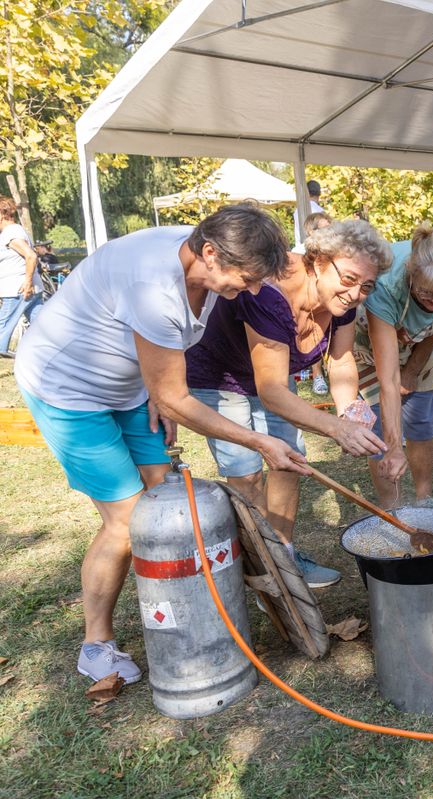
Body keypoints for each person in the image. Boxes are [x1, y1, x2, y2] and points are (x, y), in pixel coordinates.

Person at [14, 205, 303, 683]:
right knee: (129, 522)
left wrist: (156, 390)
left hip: (127, 385)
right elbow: (175, 396)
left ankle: (182, 608)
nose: (250, 290)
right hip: (67, 389)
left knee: (167, 505)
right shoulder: (154, 288)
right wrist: (256, 440)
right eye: (247, 278)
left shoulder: (199, 256)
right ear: (210, 252)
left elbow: (166, 378)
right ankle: (96, 645)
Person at [186, 220, 391, 587]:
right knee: (246, 471)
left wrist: (351, 412)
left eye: (367, 286)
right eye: (348, 278)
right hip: (219, 375)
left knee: (290, 460)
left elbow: (341, 361)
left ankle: (283, 554)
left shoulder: (343, 300)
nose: (355, 292)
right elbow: (272, 391)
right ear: (317, 261)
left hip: (270, 379)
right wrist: (335, 428)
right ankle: (262, 567)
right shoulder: (269, 294)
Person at [362, 224, 433, 508]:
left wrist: (413, 369)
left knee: (421, 421)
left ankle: (423, 498)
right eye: (427, 294)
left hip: (423, 340)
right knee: (379, 428)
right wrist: (395, 446)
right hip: (372, 341)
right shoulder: (384, 286)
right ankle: (391, 506)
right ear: (411, 277)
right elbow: (388, 380)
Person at [293, 212, 333, 395]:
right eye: (324, 229)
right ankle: (316, 375)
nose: (329, 233)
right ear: (310, 231)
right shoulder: (297, 253)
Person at [0, 197, 42, 357]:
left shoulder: (11, 233)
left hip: (19, 289)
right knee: (43, 325)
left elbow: (31, 256)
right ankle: (57, 351)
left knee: (3, 324)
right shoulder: (15, 231)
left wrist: (28, 282)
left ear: (2, 215)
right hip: (28, 288)